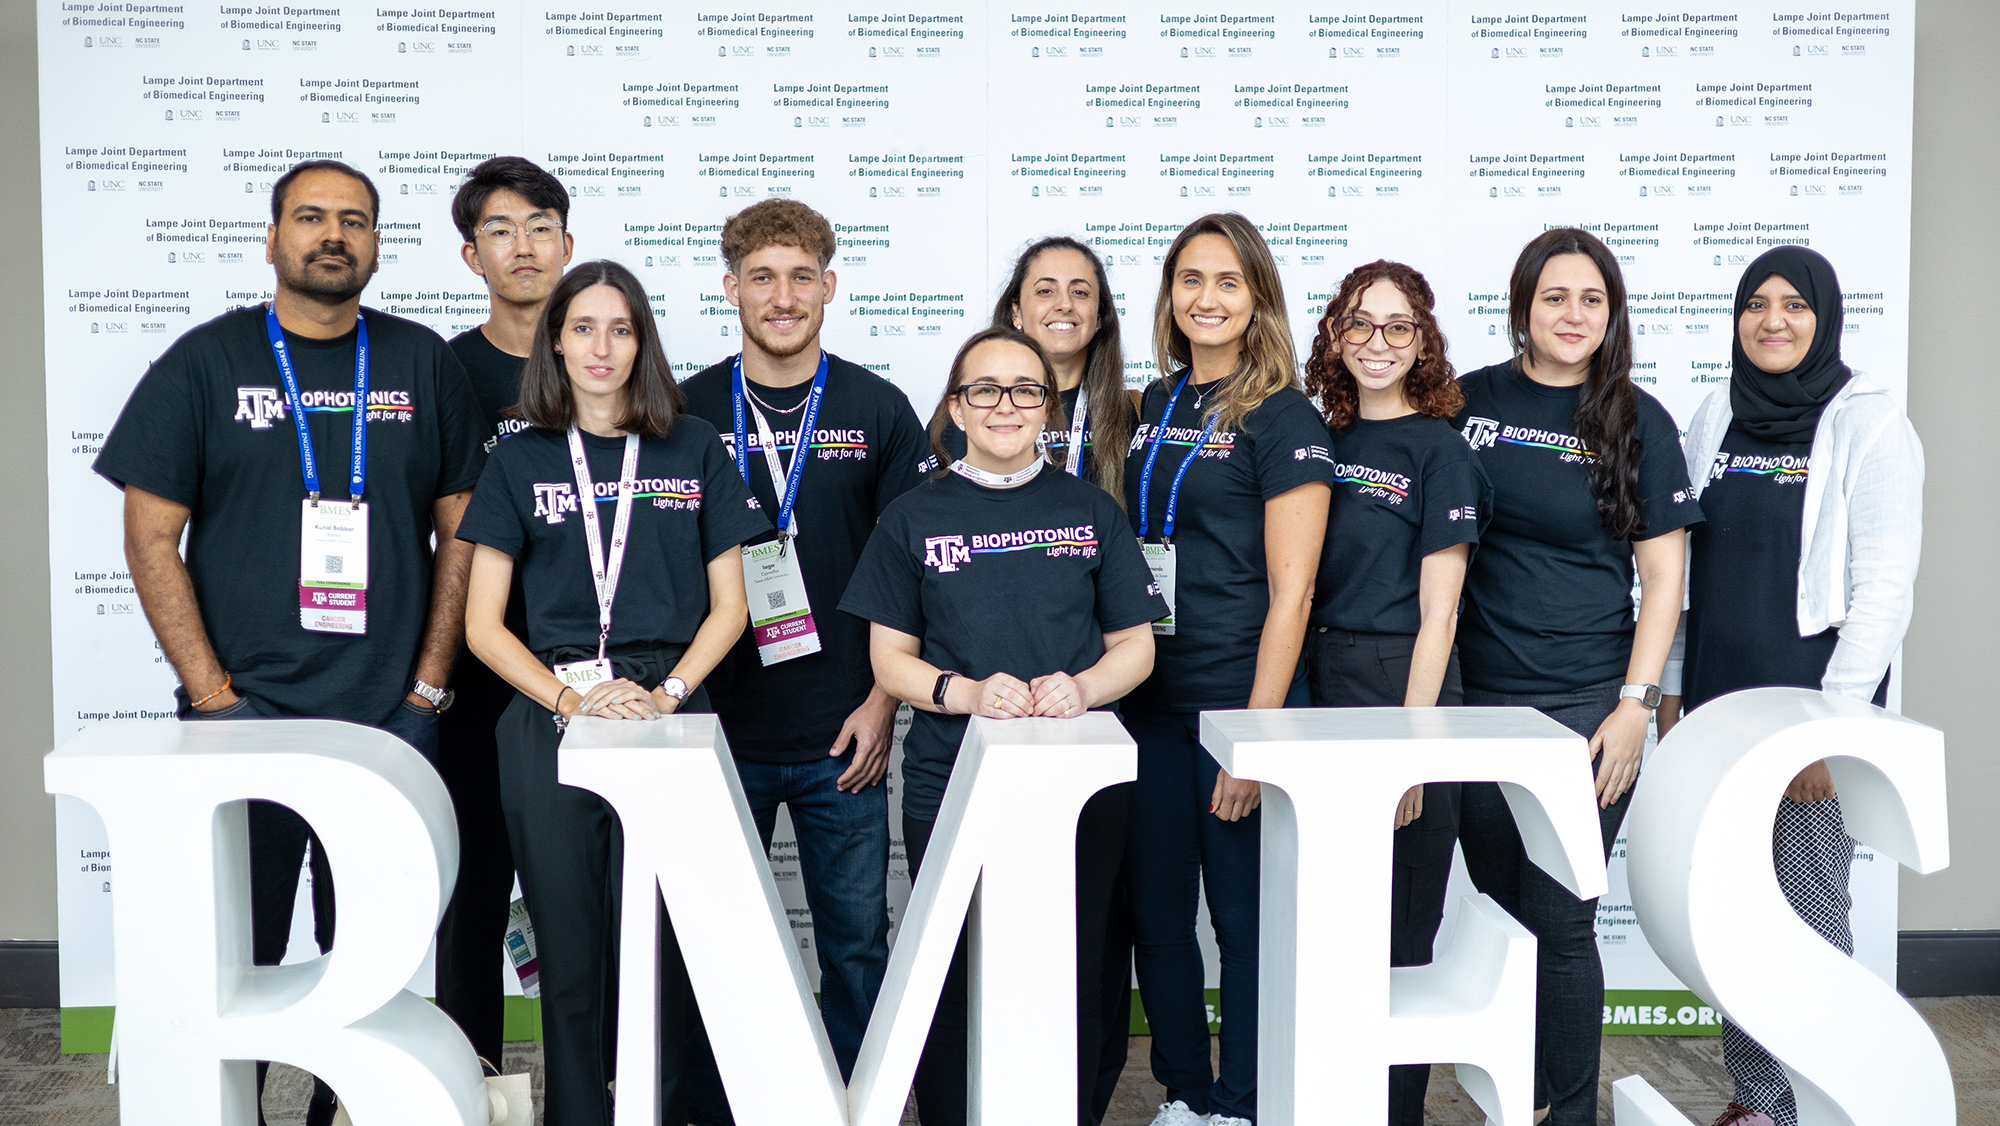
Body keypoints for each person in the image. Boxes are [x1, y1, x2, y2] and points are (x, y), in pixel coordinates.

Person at [95, 158, 487, 1126]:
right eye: (310, 217)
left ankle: (333, 1111)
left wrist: (429, 689)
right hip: (242, 719)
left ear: (377, 244)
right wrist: (214, 697)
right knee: (240, 949)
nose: (332, 234)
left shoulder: (419, 361)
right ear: (272, 238)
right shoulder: (206, 361)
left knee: (373, 949)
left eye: (354, 220)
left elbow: (463, 533)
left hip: (390, 719)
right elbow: (151, 536)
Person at [456, 260, 769, 1126]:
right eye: (584, 327)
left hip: (673, 712)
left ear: (643, 343)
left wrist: (664, 695)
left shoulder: (695, 445)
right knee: (570, 950)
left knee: (670, 944)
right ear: (556, 339)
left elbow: (732, 606)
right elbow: (483, 627)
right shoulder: (518, 459)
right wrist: (571, 702)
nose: (602, 346)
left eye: (621, 328)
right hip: (554, 720)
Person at [839, 326, 1165, 1126]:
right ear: (956, 407)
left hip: (1080, 791)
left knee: (1078, 965)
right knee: (955, 966)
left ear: (1049, 409)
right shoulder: (912, 518)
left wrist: (1083, 688)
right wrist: (964, 691)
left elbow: (1137, 648)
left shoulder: (1091, 509)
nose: (1005, 406)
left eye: (1026, 390)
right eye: (984, 389)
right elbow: (891, 662)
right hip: (952, 781)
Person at [1652, 247, 1923, 1126]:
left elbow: (1884, 587)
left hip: (1808, 712)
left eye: (1794, 305)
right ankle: (1762, 1101)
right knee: (1733, 914)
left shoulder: (1869, 422)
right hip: (1719, 708)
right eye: (1756, 304)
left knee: (1806, 914)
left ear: (1825, 317)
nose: (1773, 320)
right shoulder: (1718, 412)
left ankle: (1822, 1095)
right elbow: (1681, 565)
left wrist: (1825, 730)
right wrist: (1669, 687)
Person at [1450, 227, 1700, 1126]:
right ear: (1523, 304)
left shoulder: (1638, 419)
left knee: (1560, 921)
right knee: (1498, 910)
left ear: (1612, 313)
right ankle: (1512, 1099)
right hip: (1476, 701)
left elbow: (1665, 576)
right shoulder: (1466, 401)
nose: (1573, 314)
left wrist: (1635, 706)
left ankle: (1569, 1112)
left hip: (1586, 706)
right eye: (1555, 296)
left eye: (1591, 299)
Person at [680, 198, 926, 1083]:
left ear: (829, 286)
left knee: (856, 945)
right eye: (760, 279)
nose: (781, 297)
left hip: (843, 733)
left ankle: (859, 1097)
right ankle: (717, 1104)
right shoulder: (686, 409)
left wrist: (881, 704)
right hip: (715, 731)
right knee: (709, 942)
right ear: (730, 289)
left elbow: (914, 576)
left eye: (799, 277)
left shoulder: (877, 406)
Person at [1123, 213, 1335, 1126]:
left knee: (1243, 928)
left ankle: (1244, 1103)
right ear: (1171, 295)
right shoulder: (1151, 405)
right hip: (1144, 704)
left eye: (1228, 282)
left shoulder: (1284, 416)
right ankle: (1185, 1096)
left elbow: (1293, 595)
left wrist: (1254, 737)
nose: (1206, 299)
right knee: (1160, 921)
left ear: (1258, 300)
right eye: (1190, 280)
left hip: (1234, 710)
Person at [953, 235, 1141, 1123]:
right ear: (1016, 309)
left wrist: (1093, 683)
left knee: (1092, 937)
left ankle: (1081, 1102)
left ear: (1101, 314)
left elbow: (1133, 621)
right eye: (1043, 289)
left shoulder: (1134, 418)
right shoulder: (958, 426)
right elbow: (909, 601)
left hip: (1094, 725)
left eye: (1082, 291)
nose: (1063, 304)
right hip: (980, 735)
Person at [1299, 259, 1491, 1126]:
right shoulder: (1317, 441)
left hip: (1402, 683)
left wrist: (1413, 749)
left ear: (1424, 343)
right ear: (1336, 336)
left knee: (1399, 930)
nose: (1378, 342)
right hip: (1317, 680)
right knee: (1325, 921)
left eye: (1398, 327)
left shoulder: (1440, 447)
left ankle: (1392, 1113)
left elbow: (1440, 612)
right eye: (1361, 325)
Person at [435, 154, 575, 1069]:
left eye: (539, 227)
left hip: (591, 670)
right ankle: (471, 1079)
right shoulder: (441, 371)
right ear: (470, 255)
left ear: (569, 242)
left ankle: (591, 1083)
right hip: (477, 672)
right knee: (474, 893)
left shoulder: (610, 350)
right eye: (500, 230)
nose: (523, 247)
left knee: (579, 897)